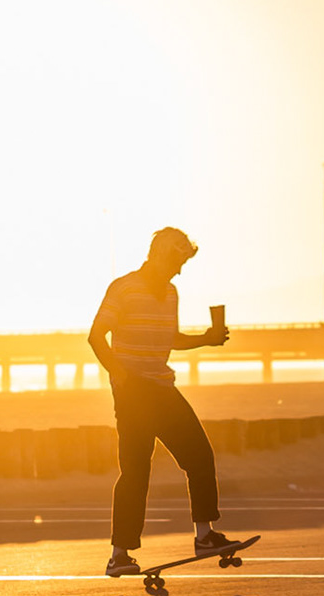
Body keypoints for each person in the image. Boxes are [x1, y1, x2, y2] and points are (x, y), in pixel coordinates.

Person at [89, 228, 238, 578]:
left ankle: (205, 536)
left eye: (183, 263)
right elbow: (96, 335)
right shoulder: (123, 288)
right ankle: (119, 555)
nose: (180, 270)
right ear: (158, 255)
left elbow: (170, 338)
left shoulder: (171, 293)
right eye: (177, 262)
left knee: (199, 455)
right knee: (136, 471)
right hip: (133, 393)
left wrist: (206, 339)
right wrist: (119, 375)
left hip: (161, 387)